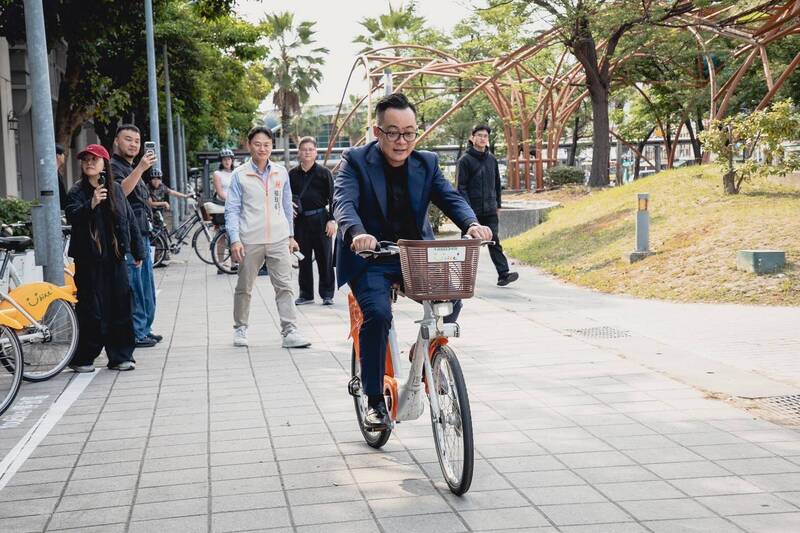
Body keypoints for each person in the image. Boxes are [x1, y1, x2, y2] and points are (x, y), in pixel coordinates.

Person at [334, 93, 492, 430]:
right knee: (378, 315)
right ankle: (374, 401)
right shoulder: (355, 161)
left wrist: (471, 224)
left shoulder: (427, 162)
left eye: (409, 133)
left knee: (452, 296)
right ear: (378, 132)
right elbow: (344, 203)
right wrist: (357, 233)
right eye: (393, 133)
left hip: (413, 255)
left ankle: (424, 354)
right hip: (370, 256)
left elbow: (450, 197)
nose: (402, 141)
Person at [225, 126, 311, 349]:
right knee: (244, 287)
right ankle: (240, 328)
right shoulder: (239, 175)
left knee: (284, 286)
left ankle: (290, 331)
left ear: (272, 146)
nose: (262, 149)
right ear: (249, 145)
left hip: (279, 238)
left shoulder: (280, 172)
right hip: (250, 239)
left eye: (266, 144)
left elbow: (286, 205)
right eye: (257, 144)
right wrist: (235, 239)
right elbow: (232, 210)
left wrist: (291, 235)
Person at [65, 144, 145, 372]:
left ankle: (121, 356)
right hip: (88, 260)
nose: (89, 163)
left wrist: (137, 250)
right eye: (86, 160)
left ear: (104, 165)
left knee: (120, 306)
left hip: (115, 257)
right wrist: (91, 204)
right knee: (91, 309)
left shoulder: (116, 189)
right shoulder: (76, 191)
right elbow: (72, 216)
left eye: (94, 159)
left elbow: (129, 220)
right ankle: (83, 358)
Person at [110, 124, 161, 348]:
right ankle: (137, 333)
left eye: (137, 141)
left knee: (146, 287)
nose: (133, 144)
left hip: (142, 234)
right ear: (116, 141)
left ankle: (144, 329)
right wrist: (140, 168)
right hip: (129, 237)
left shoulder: (130, 167)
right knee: (136, 288)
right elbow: (120, 192)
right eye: (128, 139)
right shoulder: (113, 167)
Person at [456, 124, 519, 286]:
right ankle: (462, 278)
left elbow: (497, 184)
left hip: (490, 209)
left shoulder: (492, 159)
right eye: (479, 135)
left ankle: (503, 274)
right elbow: (461, 188)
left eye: (485, 136)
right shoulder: (464, 160)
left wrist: (498, 204)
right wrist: (466, 211)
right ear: (472, 138)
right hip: (471, 213)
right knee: (468, 245)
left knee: (494, 241)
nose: (483, 138)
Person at [289, 137, 336, 306]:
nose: (307, 152)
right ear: (299, 153)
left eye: (311, 149)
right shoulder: (292, 174)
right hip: (301, 221)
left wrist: (332, 220)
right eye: (304, 149)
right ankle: (306, 294)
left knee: (325, 258)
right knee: (303, 259)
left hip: (321, 219)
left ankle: (327, 294)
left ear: (316, 152)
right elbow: (286, 197)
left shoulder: (324, 173)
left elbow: (333, 198)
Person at [213, 148, 237, 274]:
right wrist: (232, 200)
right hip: (222, 206)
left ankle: (234, 263)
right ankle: (220, 264)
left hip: (235, 207)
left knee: (234, 234)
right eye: (224, 159)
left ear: (232, 160)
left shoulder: (236, 173)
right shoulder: (217, 174)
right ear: (221, 161)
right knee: (221, 236)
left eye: (229, 159)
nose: (227, 161)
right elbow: (220, 192)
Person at [55, 143, 68, 210]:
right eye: (63, 154)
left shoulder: (57, 172)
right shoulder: (53, 174)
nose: (64, 157)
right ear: (58, 156)